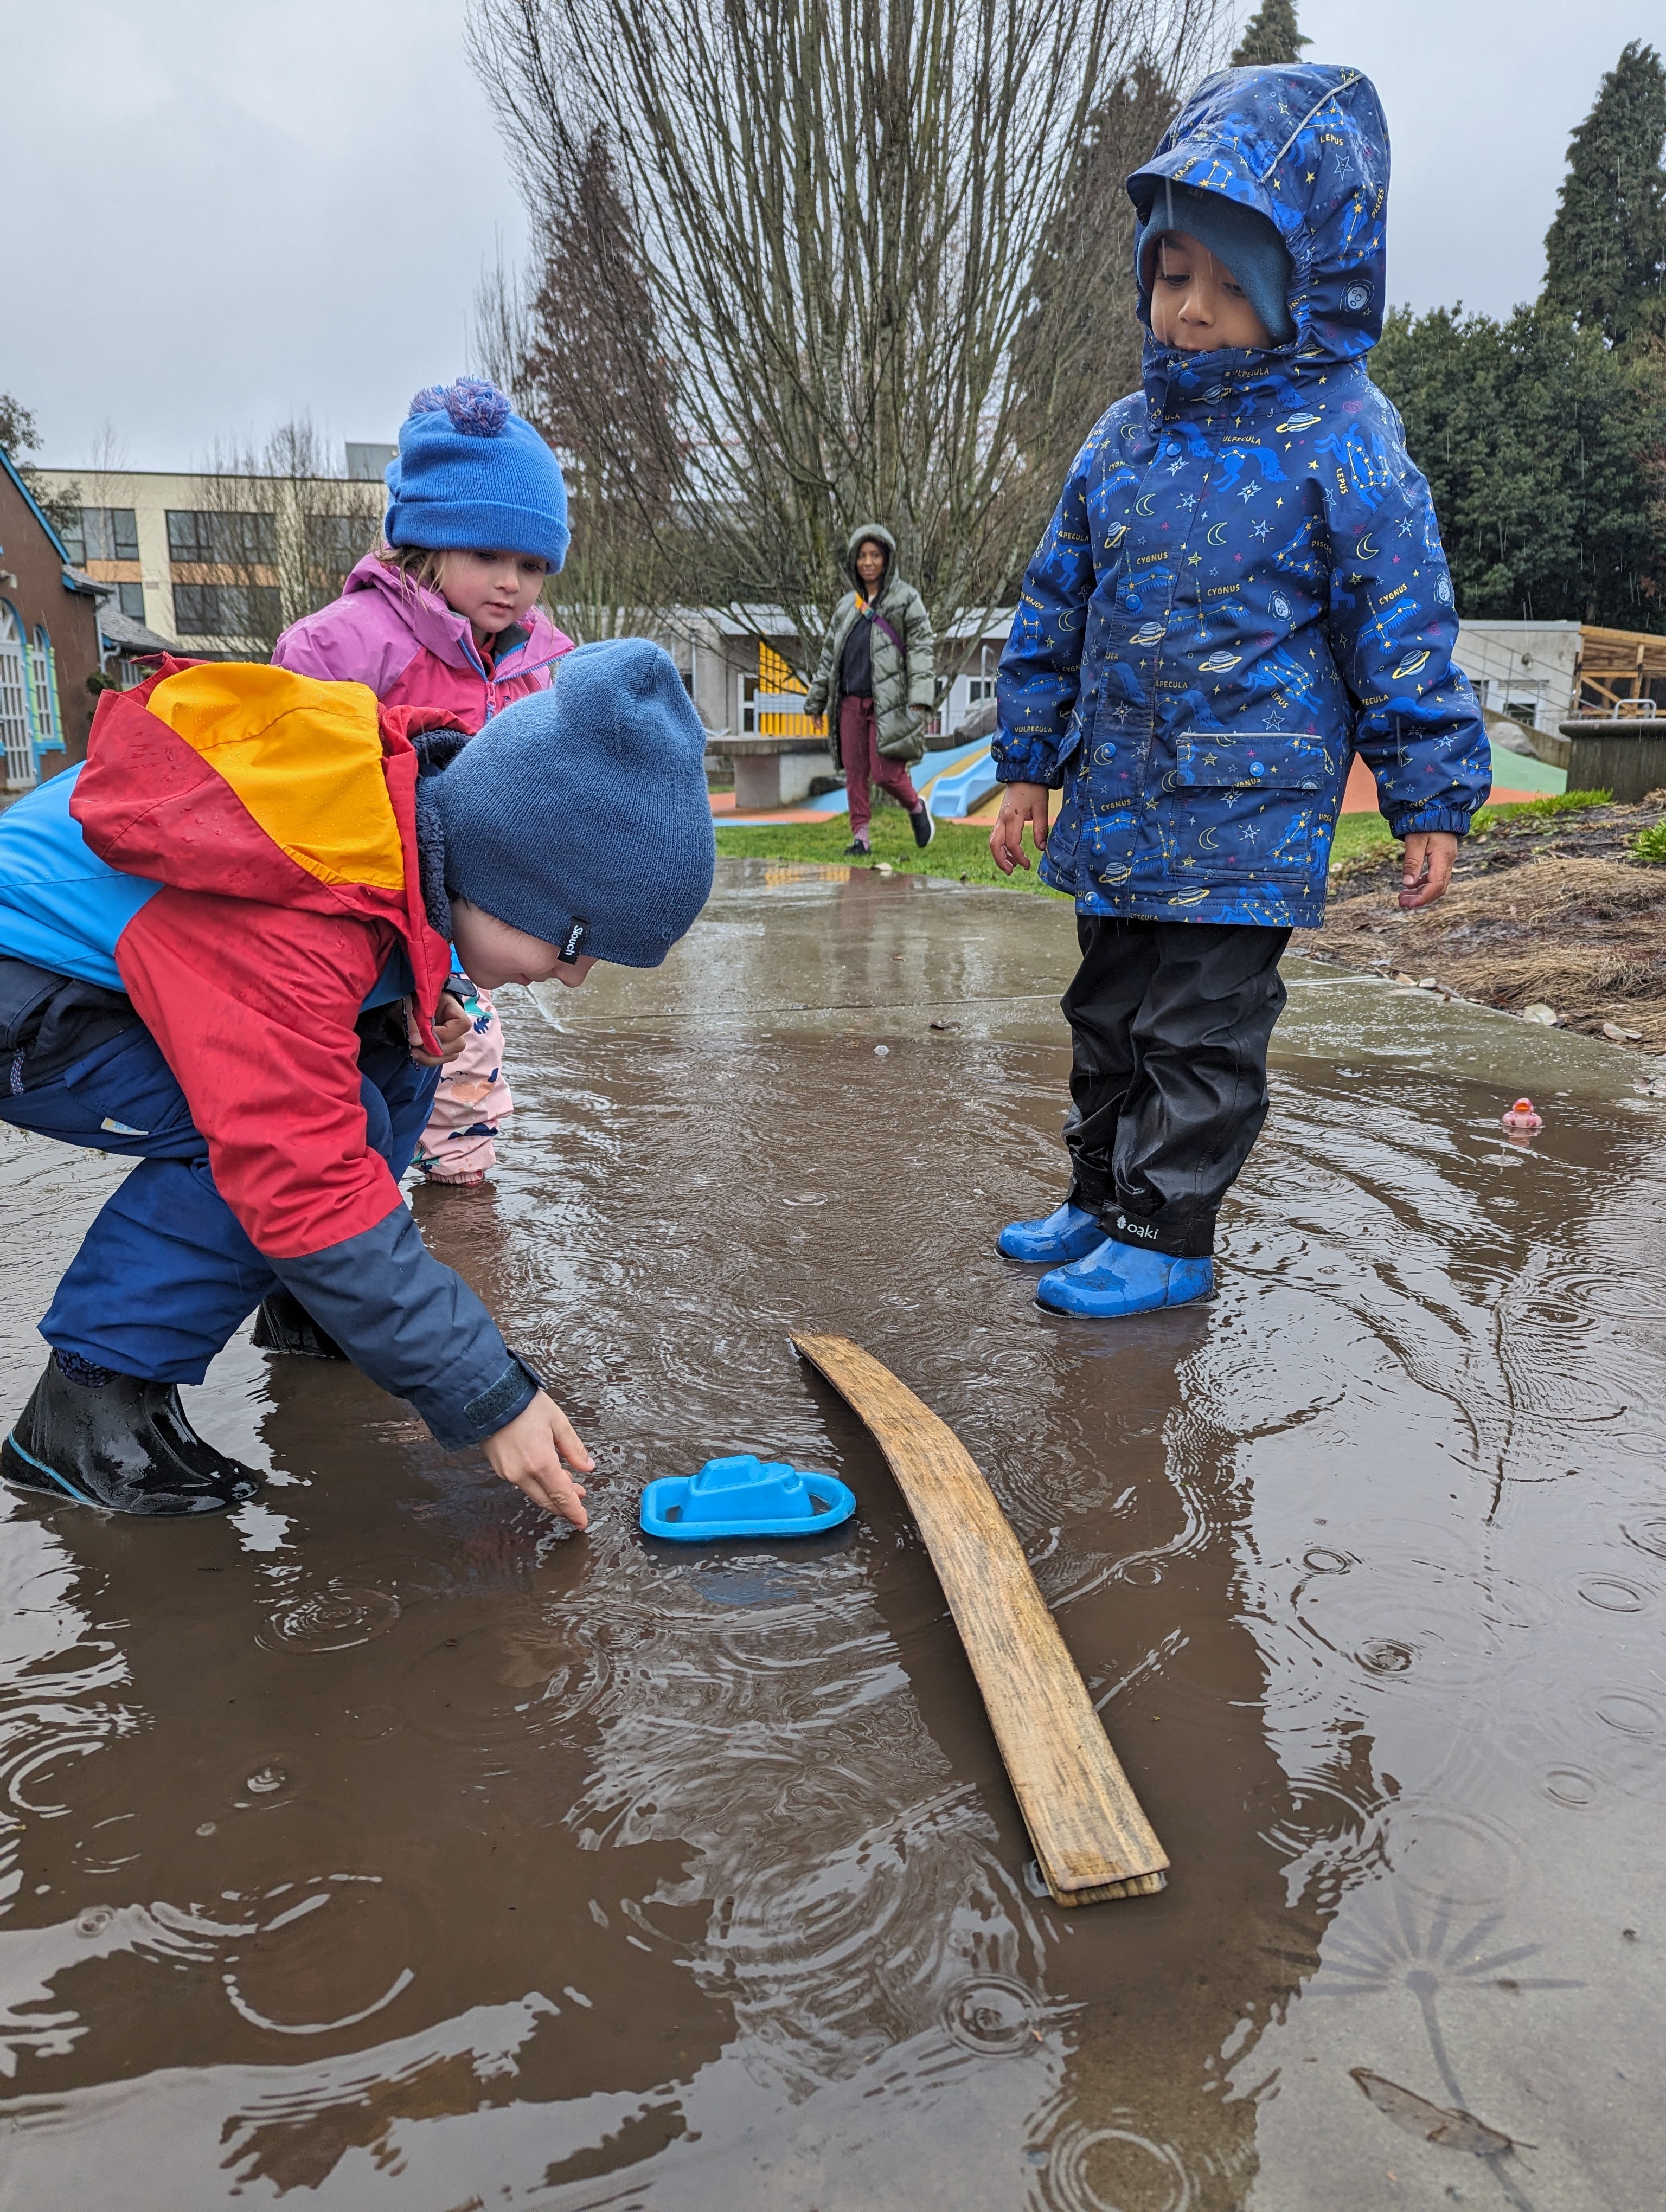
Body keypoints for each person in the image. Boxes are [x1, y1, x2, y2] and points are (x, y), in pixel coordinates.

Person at [0, 640, 714, 1520]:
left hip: (108, 972)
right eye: (576, 947)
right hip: (26, 983)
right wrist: (484, 1389)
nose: (573, 978)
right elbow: (298, 1167)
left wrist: (412, 1004)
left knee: (398, 1051)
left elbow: (379, 955)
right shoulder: (298, 908)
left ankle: (312, 1299)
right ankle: (88, 1404)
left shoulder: (408, 826)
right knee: (261, 1144)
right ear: (511, 877)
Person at [989, 62, 1489, 1319]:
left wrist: (1428, 788)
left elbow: (1402, 629)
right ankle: (1098, 1194)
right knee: (1104, 1013)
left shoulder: (1346, 444)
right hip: (1116, 801)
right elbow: (1054, 603)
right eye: (1170, 277)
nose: (1189, 312)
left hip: (1245, 810)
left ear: (1302, 294)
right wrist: (1022, 759)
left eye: (1228, 285)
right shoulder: (1118, 436)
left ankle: (1164, 1234)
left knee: (1196, 1034)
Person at [274, 377, 574, 1194]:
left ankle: (460, 1184)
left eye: (531, 565)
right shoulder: (353, 642)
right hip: (357, 904)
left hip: (450, 915)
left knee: (465, 1046)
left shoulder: (538, 662)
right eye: (486, 557)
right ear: (429, 542)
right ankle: (348, 1196)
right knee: (350, 1065)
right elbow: (293, 745)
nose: (511, 584)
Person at [803, 524, 937, 857]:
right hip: (849, 702)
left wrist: (920, 696)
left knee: (884, 773)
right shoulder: (845, 607)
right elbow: (828, 659)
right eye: (862, 556)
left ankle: (916, 807)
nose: (868, 562)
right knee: (855, 774)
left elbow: (921, 648)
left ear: (887, 559)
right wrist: (815, 703)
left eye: (875, 555)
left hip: (886, 704)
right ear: (854, 562)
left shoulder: (907, 600)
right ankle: (861, 838)